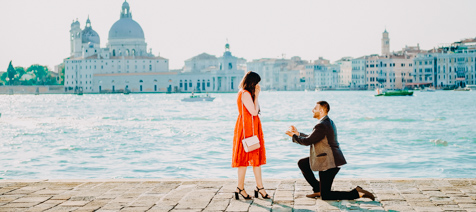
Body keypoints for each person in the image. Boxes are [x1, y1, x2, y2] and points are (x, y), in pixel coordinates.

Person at [285, 101, 375, 201]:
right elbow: (313, 138)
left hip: (329, 162)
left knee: (326, 196)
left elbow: (308, 141)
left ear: (322, 110)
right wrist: (298, 134)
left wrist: (293, 136)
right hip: (328, 158)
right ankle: (317, 189)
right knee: (303, 163)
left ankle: (356, 193)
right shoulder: (326, 122)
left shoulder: (322, 125)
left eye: (315, 108)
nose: (312, 110)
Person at [232, 71, 269, 200]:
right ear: (252, 82)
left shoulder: (247, 94)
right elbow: (254, 112)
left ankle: (258, 187)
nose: (257, 85)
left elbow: (256, 110)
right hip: (247, 129)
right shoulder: (245, 93)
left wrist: (256, 97)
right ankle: (241, 187)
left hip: (251, 128)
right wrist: (257, 96)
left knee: (255, 160)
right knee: (244, 159)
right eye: (256, 83)